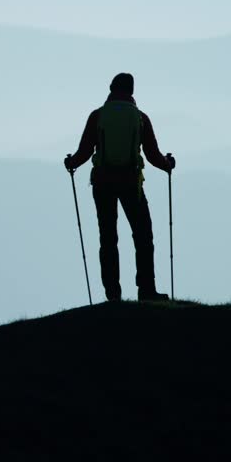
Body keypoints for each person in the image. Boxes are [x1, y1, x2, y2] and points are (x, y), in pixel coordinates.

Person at [64, 73, 175, 302]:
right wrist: (168, 164)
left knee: (108, 238)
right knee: (143, 235)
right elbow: (153, 155)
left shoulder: (98, 116)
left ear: (111, 88)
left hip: (103, 183)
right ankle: (146, 290)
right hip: (130, 182)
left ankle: (113, 294)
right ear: (132, 91)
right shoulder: (140, 117)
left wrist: (70, 163)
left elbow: (84, 152)